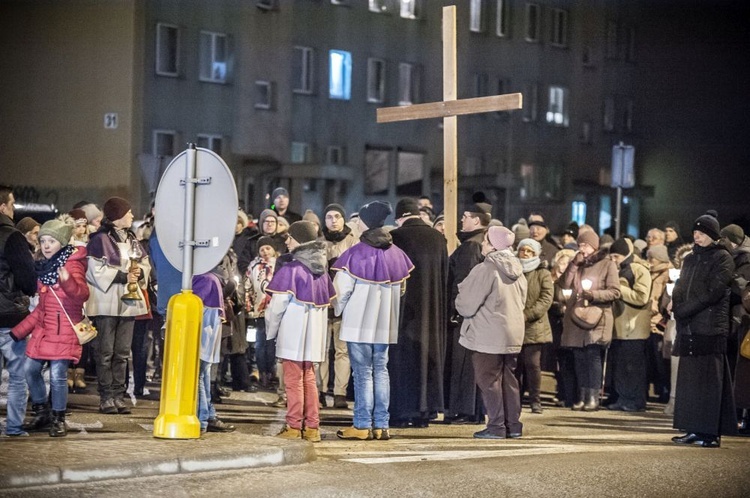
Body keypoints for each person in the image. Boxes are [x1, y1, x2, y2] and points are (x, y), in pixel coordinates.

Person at [333, 201, 413, 441]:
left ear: (366, 222)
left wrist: (339, 310)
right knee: (381, 371)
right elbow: (400, 288)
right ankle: (381, 425)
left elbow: (341, 291)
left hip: (358, 323)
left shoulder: (355, 253)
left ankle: (361, 424)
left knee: (363, 374)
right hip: (385, 323)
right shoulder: (397, 254)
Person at [10, 219, 88, 437]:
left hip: (64, 330)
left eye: (51, 241)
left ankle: (58, 418)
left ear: (61, 243)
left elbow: (82, 294)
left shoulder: (71, 264)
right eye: (43, 240)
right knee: (30, 369)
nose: (45, 245)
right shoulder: (44, 267)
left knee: (57, 375)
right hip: (44, 331)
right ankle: (41, 411)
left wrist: (68, 281)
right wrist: (20, 331)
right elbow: (41, 309)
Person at [671, 212, 737, 447]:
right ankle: (693, 427)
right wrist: (676, 302)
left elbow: (714, 291)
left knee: (710, 382)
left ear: (712, 234)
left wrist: (686, 308)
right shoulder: (690, 258)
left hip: (710, 327)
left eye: (701, 233)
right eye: (695, 233)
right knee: (690, 381)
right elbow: (680, 284)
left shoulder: (722, 258)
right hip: (689, 326)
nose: (697, 237)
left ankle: (710, 433)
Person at [455, 226, 527, 439]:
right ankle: (513, 426)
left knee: (489, 380)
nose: (483, 246)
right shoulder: (518, 270)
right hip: (513, 333)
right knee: (509, 380)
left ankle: (496, 426)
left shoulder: (486, 269)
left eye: (486, 242)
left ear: (493, 245)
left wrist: (459, 301)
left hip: (488, 334)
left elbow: (466, 305)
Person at [265, 221, 334, 442]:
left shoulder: (291, 269)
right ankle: (312, 427)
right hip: (314, 336)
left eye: (291, 237)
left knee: (293, 380)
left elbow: (277, 307)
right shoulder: (322, 271)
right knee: (310, 379)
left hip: (293, 332)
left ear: (301, 240)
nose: (287, 240)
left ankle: (294, 426)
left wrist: (271, 331)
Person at [86, 197, 151, 414]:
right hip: (106, 301)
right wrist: (123, 276)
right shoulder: (99, 239)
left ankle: (118, 395)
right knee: (105, 351)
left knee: (122, 352)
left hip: (128, 302)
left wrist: (140, 272)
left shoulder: (132, 238)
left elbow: (144, 263)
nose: (132, 216)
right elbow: (95, 271)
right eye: (129, 212)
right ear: (118, 216)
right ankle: (105, 396)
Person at [388, 198, 448, 428]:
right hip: (433, 312)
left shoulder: (397, 237)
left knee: (404, 361)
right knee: (427, 360)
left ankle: (404, 412)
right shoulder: (438, 238)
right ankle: (426, 412)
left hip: (405, 312)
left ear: (400, 217)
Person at [561, 230, 620, 412]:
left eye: (585, 245)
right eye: (579, 245)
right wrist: (573, 265)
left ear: (594, 246)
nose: (582, 249)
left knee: (592, 357)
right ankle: (583, 396)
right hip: (577, 316)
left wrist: (593, 295)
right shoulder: (578, 264)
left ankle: (593, 397)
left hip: (597, 316)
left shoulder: (607, 264)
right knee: (579, 357)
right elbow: (564, 284)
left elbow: (615, 291)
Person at [445, 200, 492, 424]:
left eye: (465, 216)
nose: (461, 219)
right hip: (476, 314)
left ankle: (465, 410)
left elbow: (463, 282)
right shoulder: (478, 243)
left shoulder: (471, 246)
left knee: (464, 363)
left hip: (465, 315)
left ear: (476, 220)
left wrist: (455, 309)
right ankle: (472, 410)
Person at [0, 186, 38, 437]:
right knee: (16, 376)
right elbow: (28, 279)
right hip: (9, 317)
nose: (13, 210)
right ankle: (13, 427)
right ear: (3, 207)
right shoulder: (12, 237)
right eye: (12, 204)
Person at [319, 203, 358, 409]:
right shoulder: (319, 241)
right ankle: (321, 389)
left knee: (342, 350)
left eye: (337, 216)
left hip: (345, 302)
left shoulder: (353, 240)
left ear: (343, 219)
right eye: (329, 217)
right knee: (322, 349)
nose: (333, 220)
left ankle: (340, 393)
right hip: (323, 303)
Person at [607, 238, 652, 412]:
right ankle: (623, 398)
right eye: (611, 256)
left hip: (633, 328)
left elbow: (642, 297)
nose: (613, 260)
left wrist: (617, 289)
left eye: (616, 256)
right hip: (621, 327)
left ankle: (635, 401)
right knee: (621, 366)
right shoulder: (620, 269)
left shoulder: (639, 269)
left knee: (633, 368)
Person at [192, 269, 236, 434]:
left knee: (198, 377)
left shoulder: (204, 280)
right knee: (203, 376)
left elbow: (195, 309)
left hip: (202, 335)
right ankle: (207, 415)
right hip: (209, 336)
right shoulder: (212, 278)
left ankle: (202, 419)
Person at [515, 238, 553, 414]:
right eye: (523, 250)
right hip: (515, 324)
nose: (525, 254)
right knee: (516, 365)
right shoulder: (514, 270)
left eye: (530, 251)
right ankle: (515, 398)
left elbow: (546, 297)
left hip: (534, 325)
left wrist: (528, 314)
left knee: (532, 364)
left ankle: (535, 400)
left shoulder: (542, 273)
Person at [720, 224, 750, 433]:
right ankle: (735, 416)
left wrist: (729, 278)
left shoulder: (746, 259)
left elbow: (743, 290)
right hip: (735, 318)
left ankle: (739, 417)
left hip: (742, 319)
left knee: (740, 372)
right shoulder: (735, 256)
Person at [246, 236, 278, 390]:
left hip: (276, 309)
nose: (265, 252)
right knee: (260, 344)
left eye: (268, 248)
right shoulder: (254, 266)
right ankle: (263, 372)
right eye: (262, 249)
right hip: (259, 311)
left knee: (272, 344)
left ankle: (272, 372)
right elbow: (248, 286)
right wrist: (249, 306)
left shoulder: (279, 265)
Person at [646, 244, 673, 404]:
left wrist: (658, 306)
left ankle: (665, 390)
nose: (649, 261)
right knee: (653, 360)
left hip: (659, 322)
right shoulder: (651, 272)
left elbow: (667, 295)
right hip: (648, 320)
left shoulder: (668, 273)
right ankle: (659, 389)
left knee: (661, 360)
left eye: (652, 258)